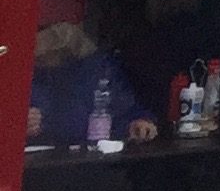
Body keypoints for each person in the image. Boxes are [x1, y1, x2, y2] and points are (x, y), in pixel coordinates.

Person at [28, 20, 158, 146]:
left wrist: (138, 122)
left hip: (95, 159)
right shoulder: (20, 76)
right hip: (41, 161)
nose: (58, 34)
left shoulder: (97, 70)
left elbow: (125, 110)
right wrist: (21, 126)